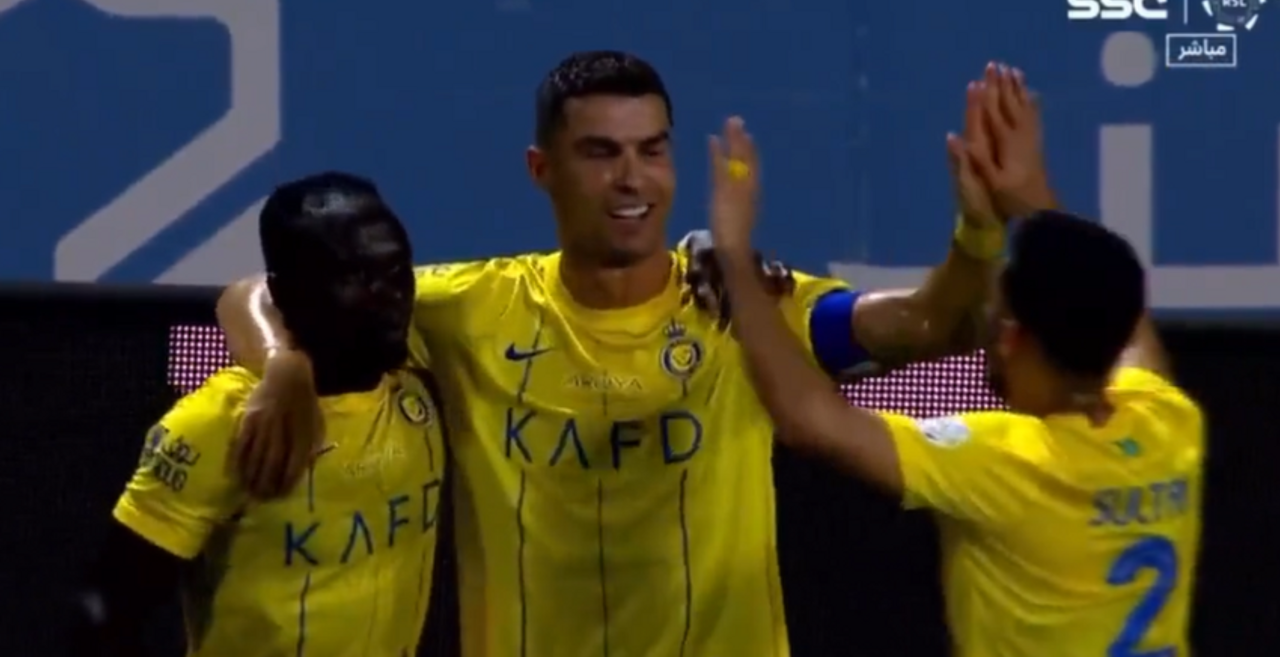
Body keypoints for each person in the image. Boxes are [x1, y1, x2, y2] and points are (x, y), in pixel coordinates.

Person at [216, 51, 1009, 656]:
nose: (633, 180)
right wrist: (282, 364)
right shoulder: (471, 310)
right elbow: (257, 290)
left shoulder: (743, 306)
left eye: (651, 151)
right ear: (542, 170)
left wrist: (977, 232)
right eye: (601, 153)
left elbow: (931, 325)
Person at [708, 68, 1203, 656]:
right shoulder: (1168, 422)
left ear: (1013, 337)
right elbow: (1125, 322)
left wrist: (733, 256)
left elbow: (807, 416)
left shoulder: (1006, 462)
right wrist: (1028, 198)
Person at [69, 173, 448, 656]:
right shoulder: (223, 420)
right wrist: (281, 364)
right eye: (354, 276)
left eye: (397, 268)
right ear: (289, 293)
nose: (390, 293)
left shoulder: (423, 366)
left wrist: (278, 359)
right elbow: (106, 612)